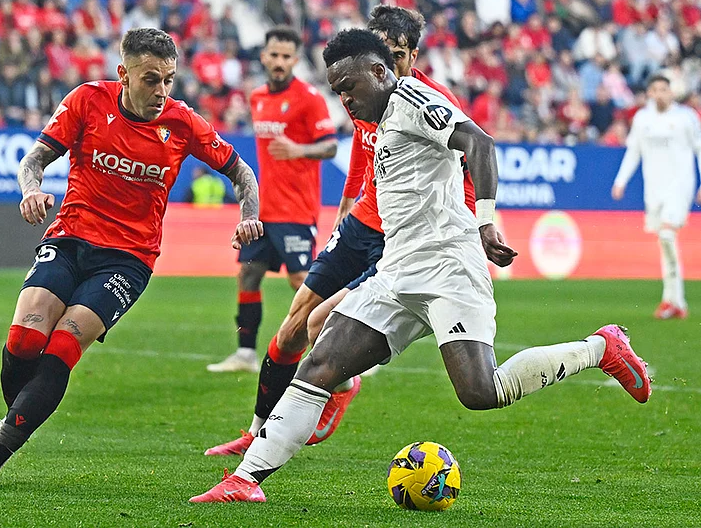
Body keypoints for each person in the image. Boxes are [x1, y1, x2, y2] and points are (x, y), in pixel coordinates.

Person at [190, 28, 652, 503]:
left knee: (479, 391)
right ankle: (245, 480)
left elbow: (480, 143)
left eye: (349, 85)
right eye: (337, 91)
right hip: (396, 271)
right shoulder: (379, 118)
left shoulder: (414, 100)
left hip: (449, 267)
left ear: (378, 70)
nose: (345, 98)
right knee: (321, 362)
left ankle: (601, 348)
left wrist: (486, 222)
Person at [0, 28, 263, 488]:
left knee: (61, 348)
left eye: (169, 80)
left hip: (128, 260)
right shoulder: (87, 101)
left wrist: (248, 216)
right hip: (71, 238)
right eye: (151, 79)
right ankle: (16, 421)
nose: (161, 92)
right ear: (124, 74)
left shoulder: (181, 122)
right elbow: (33, 159)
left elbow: (241, 171)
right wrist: (32, 190)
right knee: (23, 340)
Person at [203, 5, 485, 458]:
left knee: (322, 324)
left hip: (401, 233)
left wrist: (471, 223)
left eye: (395, 55)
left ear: (412, 55)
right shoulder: (365, 89)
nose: (385, 65)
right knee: (294, 321)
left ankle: (342, 384)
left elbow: (468, 163)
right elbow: (361, 148)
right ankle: (256, 431)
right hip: (361, 220)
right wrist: (347, 204)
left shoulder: (432, 102)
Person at [206, 26, 337, 373]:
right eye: (273, 55)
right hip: (263, 211)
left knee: (303, 282)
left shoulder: (309, 98)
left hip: (296, 210)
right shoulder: (258, 97)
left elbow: (331, 145)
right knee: (248, 277)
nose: (279, 62)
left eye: (286, 56)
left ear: (295, 59)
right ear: (264, 56)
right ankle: (246, 354)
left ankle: (339, 348)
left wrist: (299, 149)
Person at [612, 74, 701, 320]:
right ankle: (674, 302)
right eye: (655, 89)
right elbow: (633, 152)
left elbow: (699, 148)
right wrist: (620, 181)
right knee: (664, 242)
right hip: (654, 189)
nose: (660, 93)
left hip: (680, 185)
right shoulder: (642, 119)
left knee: (667, 234)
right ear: (649, 93)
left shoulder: (686, 117)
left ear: (671, 92)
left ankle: (673, 300)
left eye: (664, 89)